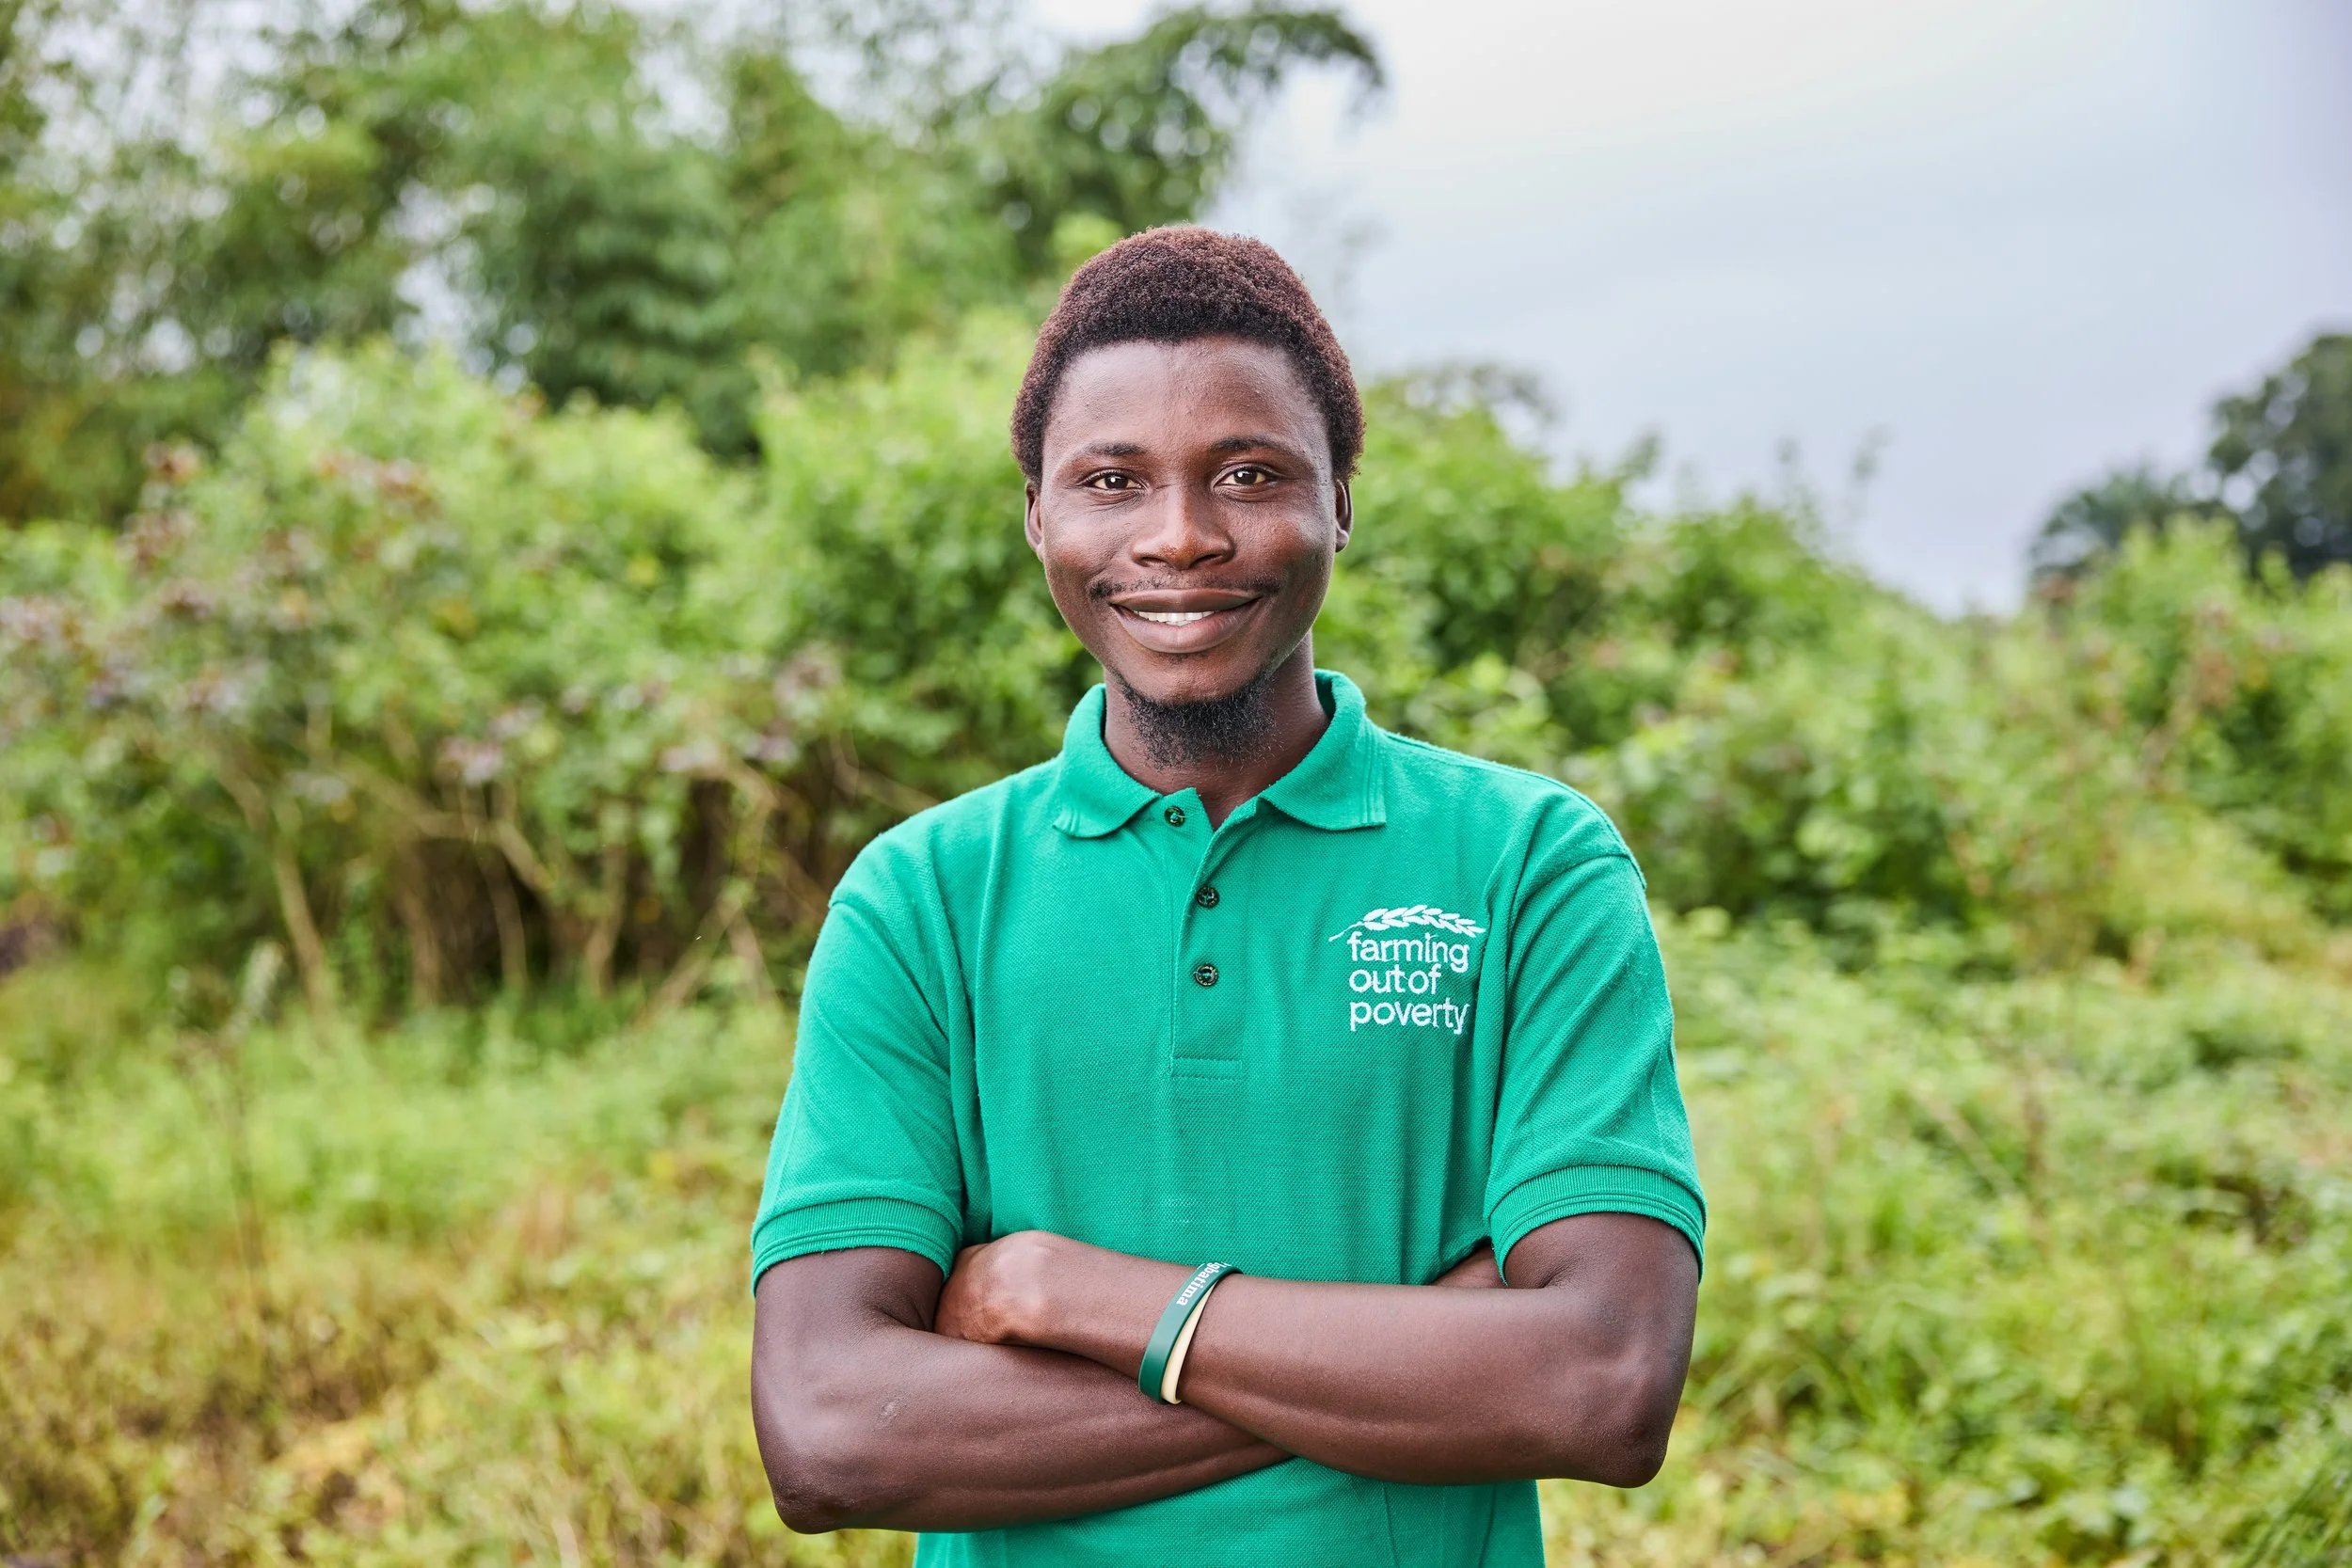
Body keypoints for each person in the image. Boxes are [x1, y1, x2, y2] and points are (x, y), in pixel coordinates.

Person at [747, 226, 1705, 1566]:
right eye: (1113, 480)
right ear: (1039, 513)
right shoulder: (919, 904)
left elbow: (1602, 1383)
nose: (1182, 536)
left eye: (1249, 473)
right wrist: (1404, 1348)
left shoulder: (1533, 864)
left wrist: (1068, 1291)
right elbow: (831, 1430)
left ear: (1342, 500)